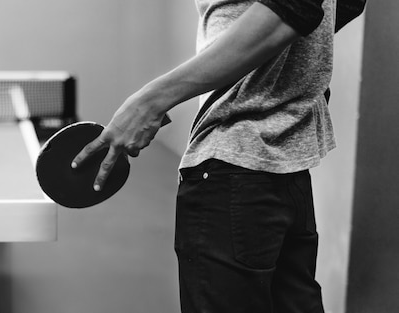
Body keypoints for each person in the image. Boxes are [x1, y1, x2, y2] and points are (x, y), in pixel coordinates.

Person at [72, 1, 366, 312]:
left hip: (234, 164)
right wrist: (282, 63)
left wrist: (150, 101)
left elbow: (295, 8)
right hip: (289, 166)